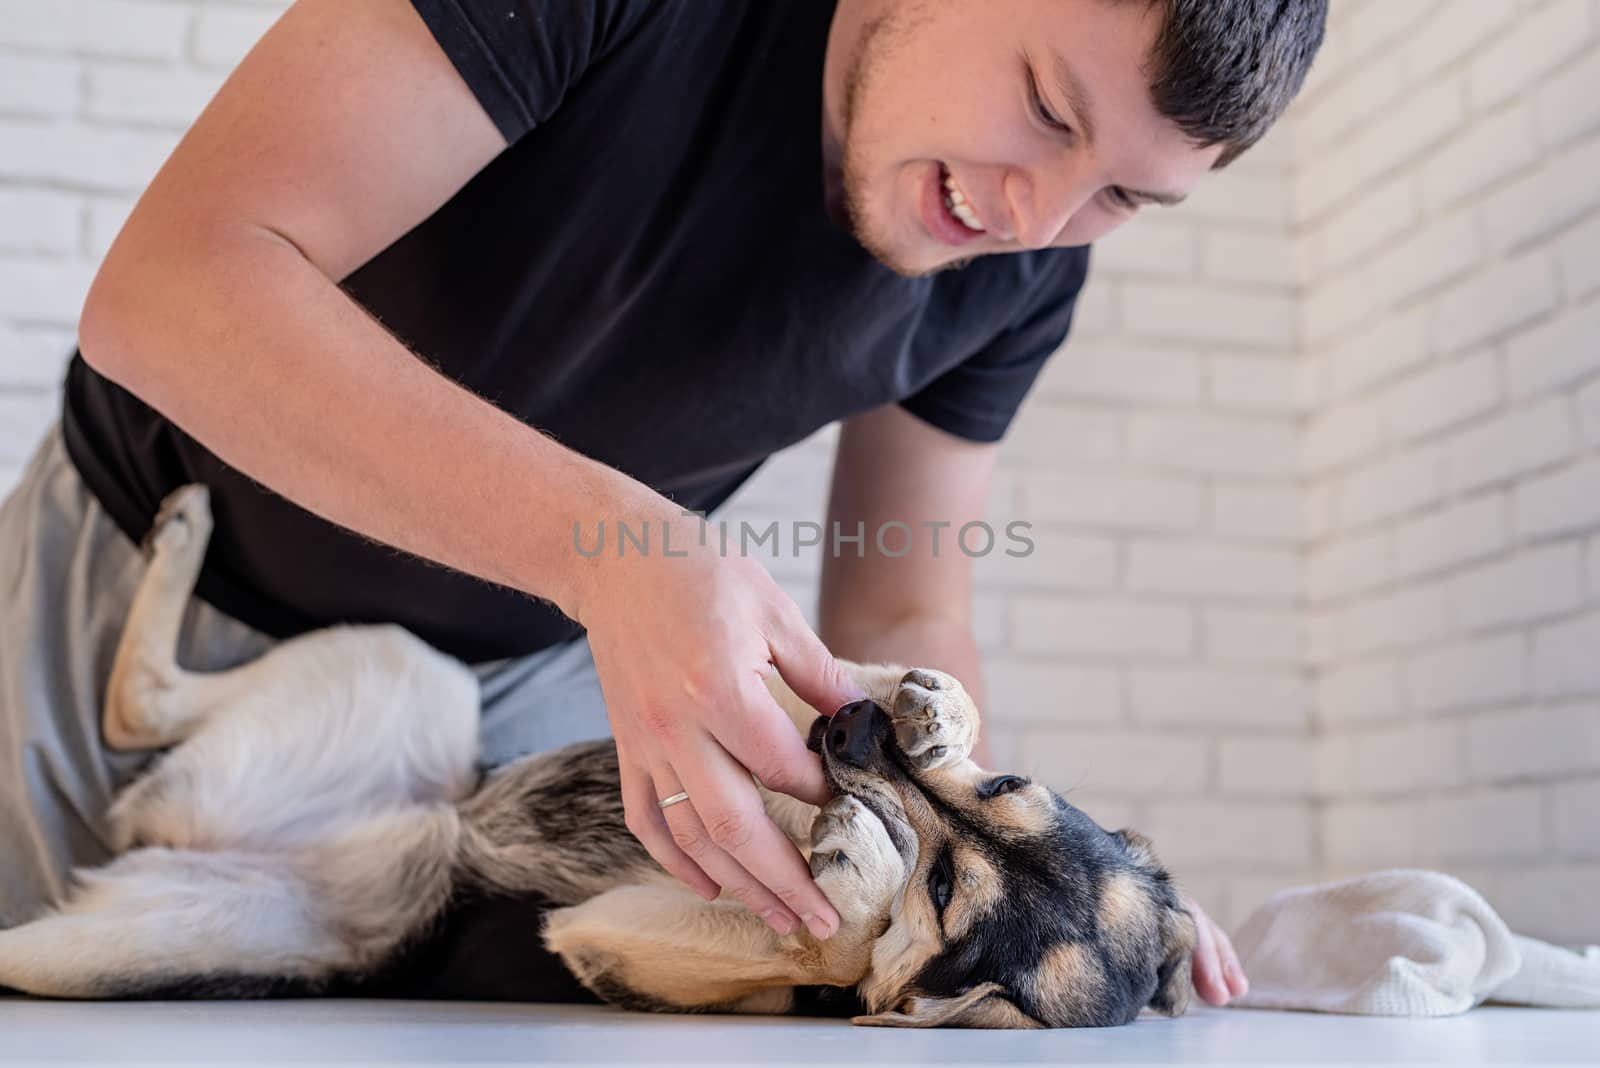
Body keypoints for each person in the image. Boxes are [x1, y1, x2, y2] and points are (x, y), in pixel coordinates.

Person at [0, 0, 1325, 1007]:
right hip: (132, 584)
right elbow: (168, 293)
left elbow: (904, 594)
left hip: (525, 693)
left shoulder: (1025, 277)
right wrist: (618, 557)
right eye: (1044, 103)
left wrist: (1056, 887)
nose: (1036, 215)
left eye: (1125, 200)